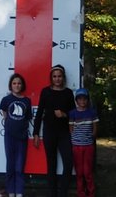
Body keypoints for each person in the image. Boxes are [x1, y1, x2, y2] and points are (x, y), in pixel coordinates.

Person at [33, 64, 75, 197]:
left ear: (63, 77)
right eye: (55, 76)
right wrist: (35, 134)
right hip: (49, 132)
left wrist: (64, 114)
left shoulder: (68, 92)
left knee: (68, 163)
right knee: (51, 165)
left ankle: (62, 193)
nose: (57, 79)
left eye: (59, 76)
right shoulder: (46, 92)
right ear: (51, 78)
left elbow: (74, 114)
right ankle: (53, 194)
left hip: (64, 133)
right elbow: (39, 113)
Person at [0, 72, 33, 197]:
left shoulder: (27, 101)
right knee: (10, 166)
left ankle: (19, 192)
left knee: (19, 167)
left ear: (22, 85)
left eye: (19, 83)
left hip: (22, 138)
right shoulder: (6, 100)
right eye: (14, 83)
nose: (17, 85)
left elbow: (27, 118)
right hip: (9, 137)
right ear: (11, 85)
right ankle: (11, 192)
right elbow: (5, 115)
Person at [68, 88, 99, 197]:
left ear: (87, 100)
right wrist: (75, 139)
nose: (82, 101)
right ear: (76, 100)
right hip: (76, 146)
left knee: (88, 172)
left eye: (84, 99)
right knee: (79, 172)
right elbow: (71, 128)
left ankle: (91, 193)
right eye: (80, 99)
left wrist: (91, 137)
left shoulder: (92, 112)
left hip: (88, 146)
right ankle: (81, 193)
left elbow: (95, 127)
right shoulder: (72, 113)